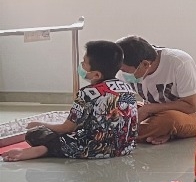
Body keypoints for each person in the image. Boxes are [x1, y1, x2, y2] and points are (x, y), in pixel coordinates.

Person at [1, 41, 138, 162]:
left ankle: (43, 149)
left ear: (96, 74)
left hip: (96, 149)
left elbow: (67, 128)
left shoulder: (87, 93)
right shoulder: (127, 88)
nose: (81, 65)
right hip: (125, 147)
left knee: (35, 134)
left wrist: (40, 124)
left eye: (84, 63)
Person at [116, 35, 196, 145]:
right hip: (156, 112)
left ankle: (119, 136)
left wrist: (149, 109)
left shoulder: (179, 62)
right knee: (121, 111)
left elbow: (191, 106)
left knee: (168, 120)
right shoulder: (127, 67)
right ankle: (161, 132)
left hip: (194, 115)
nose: (122, 74)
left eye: (125, 71)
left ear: (145, 64)